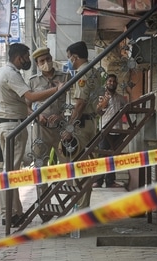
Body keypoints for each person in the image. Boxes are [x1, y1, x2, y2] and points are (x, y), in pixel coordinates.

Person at [0, 43, 64, 226]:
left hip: (6, 125)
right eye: (26, 57)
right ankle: (8, 214)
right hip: (13, 126)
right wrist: (56, 89)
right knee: (10, 172)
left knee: (10, 170)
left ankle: (14, 212)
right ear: (19, 57)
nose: (28, 61)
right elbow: (30, 97)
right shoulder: (12, 74)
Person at [61, 41, 102, 209]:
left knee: (79, 166)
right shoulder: (94, 72)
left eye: (70, 57)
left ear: (75, 57)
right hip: (91, 122)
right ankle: (82, 206)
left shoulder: (82, 74)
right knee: (87, 165)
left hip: (81, 124)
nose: (69, 60)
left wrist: (69, 128)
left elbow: (80, 104)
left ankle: (80, 207)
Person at [28, 47, 71, 199]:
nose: (46, 62)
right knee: (40, 164)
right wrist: (36, 116)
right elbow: (26, 106)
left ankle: (71, 199)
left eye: (48, 59)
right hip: (41, 129)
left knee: (67, 163)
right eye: (42, 61)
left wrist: (61, 115)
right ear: (37, 64)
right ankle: (43, 201)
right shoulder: (33, 81)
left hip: (61, 129)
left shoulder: (65, 77)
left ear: (51, 58)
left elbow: (72, 102)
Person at [93, 73, 127, 188]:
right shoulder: (102, 97)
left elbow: (128, 106)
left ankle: (110, 181)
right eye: (109, 81)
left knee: (113, 157)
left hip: (118, 131)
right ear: (106, 83)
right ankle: (98, 181)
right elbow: (98, 112)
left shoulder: (120, 98)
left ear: (116, 83)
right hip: (105, 130)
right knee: (102, 155)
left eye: (113, 81)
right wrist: (104, 103)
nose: (111, 83)